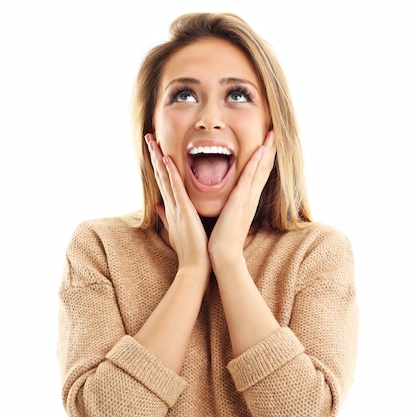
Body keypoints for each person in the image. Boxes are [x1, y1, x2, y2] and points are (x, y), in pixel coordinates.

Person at [57, 11, 358, 417]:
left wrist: (229, 261)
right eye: (183, 95)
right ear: (153, 128)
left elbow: (307, 411)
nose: (209, 120)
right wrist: (192, 269)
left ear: (273, 127)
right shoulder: (100, 248)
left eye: (238, 95)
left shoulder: (317, 252)